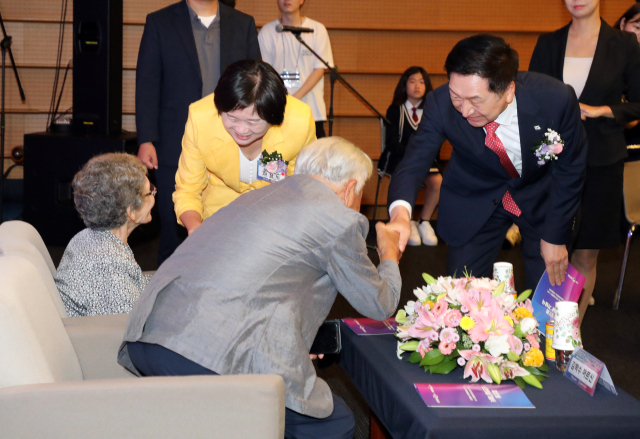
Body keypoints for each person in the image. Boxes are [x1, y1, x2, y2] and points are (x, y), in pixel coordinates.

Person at [118, 137, 402, 439]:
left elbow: (261, 284)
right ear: (349, 189)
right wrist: (389, 255)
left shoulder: (260, 196)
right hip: (205, 356)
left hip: (147, 337)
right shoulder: (337, 218)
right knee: (335, 423)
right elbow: (379, 302)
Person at [387, 34, 588, 291]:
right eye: (456, 97)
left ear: (508, 91)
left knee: (547, 293)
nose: (465, 111)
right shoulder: (440, 104)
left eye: (475, 100)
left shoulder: (555, 100)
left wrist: (555, 236)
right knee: (463, 297)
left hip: (542, 199)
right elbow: (413, 162)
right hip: (476, 197)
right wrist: (401, 215)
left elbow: (571, 169)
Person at [529, 0, 640, 320]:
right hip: (551, 163)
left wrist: (603, 111)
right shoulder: (548, 43)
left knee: (585, 256)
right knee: (544, 252)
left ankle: (567, 339)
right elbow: (530, 100)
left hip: (602, 162)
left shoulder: (623, 44)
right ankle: (535, 333)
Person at [135, 0, 261, 265]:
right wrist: (146, 138)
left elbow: (255, 84)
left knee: (232, 228)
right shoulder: (159, 22)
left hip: (234, 139)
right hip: (174, 141)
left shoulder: (243, 23)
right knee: (173, 228)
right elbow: (147, 83)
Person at [174, 59, 316, 236]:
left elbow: (302, 187)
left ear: (273, 118)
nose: (241, 130)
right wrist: (195, 228)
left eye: (253, 122)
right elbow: (188, 189)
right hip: (217, 218)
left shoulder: (298, 122)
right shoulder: (201, 119)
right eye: (232, 119)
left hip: (275, 221)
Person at [55, 153, 155, 317]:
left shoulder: (87, 237)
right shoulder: (107, 263)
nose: (154, 195)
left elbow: (134, 284)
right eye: (150, 192)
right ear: (131, 212)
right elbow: (126, 329)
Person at [379, 66, 441, 246]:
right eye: (412, 81)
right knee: (406, 177)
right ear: (404, 85)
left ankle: (425, 221)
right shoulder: (395, 109)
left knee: (436, 181)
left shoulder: (431, 110)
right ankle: (408, 220)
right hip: (399, 157)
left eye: (422, 82)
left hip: (426, 159)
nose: (417, 86)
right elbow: (392, 141)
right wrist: (411, 158)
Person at [258, 0, 333, 138]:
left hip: (311, 110)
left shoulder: (317, 29)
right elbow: (264, 71)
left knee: (313, 158)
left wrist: (294, 99)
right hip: (278, 110)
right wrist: (283, 100)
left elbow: (319, 69)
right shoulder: (267, 32)